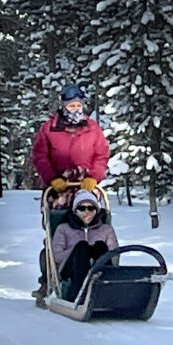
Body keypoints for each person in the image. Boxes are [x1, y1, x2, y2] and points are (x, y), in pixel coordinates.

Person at [31, 83, 110, 301]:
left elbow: (101, 154)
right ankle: (49, 281)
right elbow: (39, 156)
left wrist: (94, 176)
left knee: (96, 231)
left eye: (78, 105)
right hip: (59, 189)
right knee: (55, 234)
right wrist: (51, 178)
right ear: (63, 106)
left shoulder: (92, 128)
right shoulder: (49, 128)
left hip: (85, 188)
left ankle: (99, 277)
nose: (75, 109)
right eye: (71, 105)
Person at [50, 190, 119, 302]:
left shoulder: (106, 229)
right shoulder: (63, 228)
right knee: (82, 247)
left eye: (91, 208)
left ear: (96, 211)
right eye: (81, 208)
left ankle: (107, 290)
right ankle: (78, 293)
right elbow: (57, 256)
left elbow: (114, 255)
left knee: (100, 246)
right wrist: (78, 250)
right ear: (75, 210)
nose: (86, 212)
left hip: (99, 267)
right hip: (70, 269)